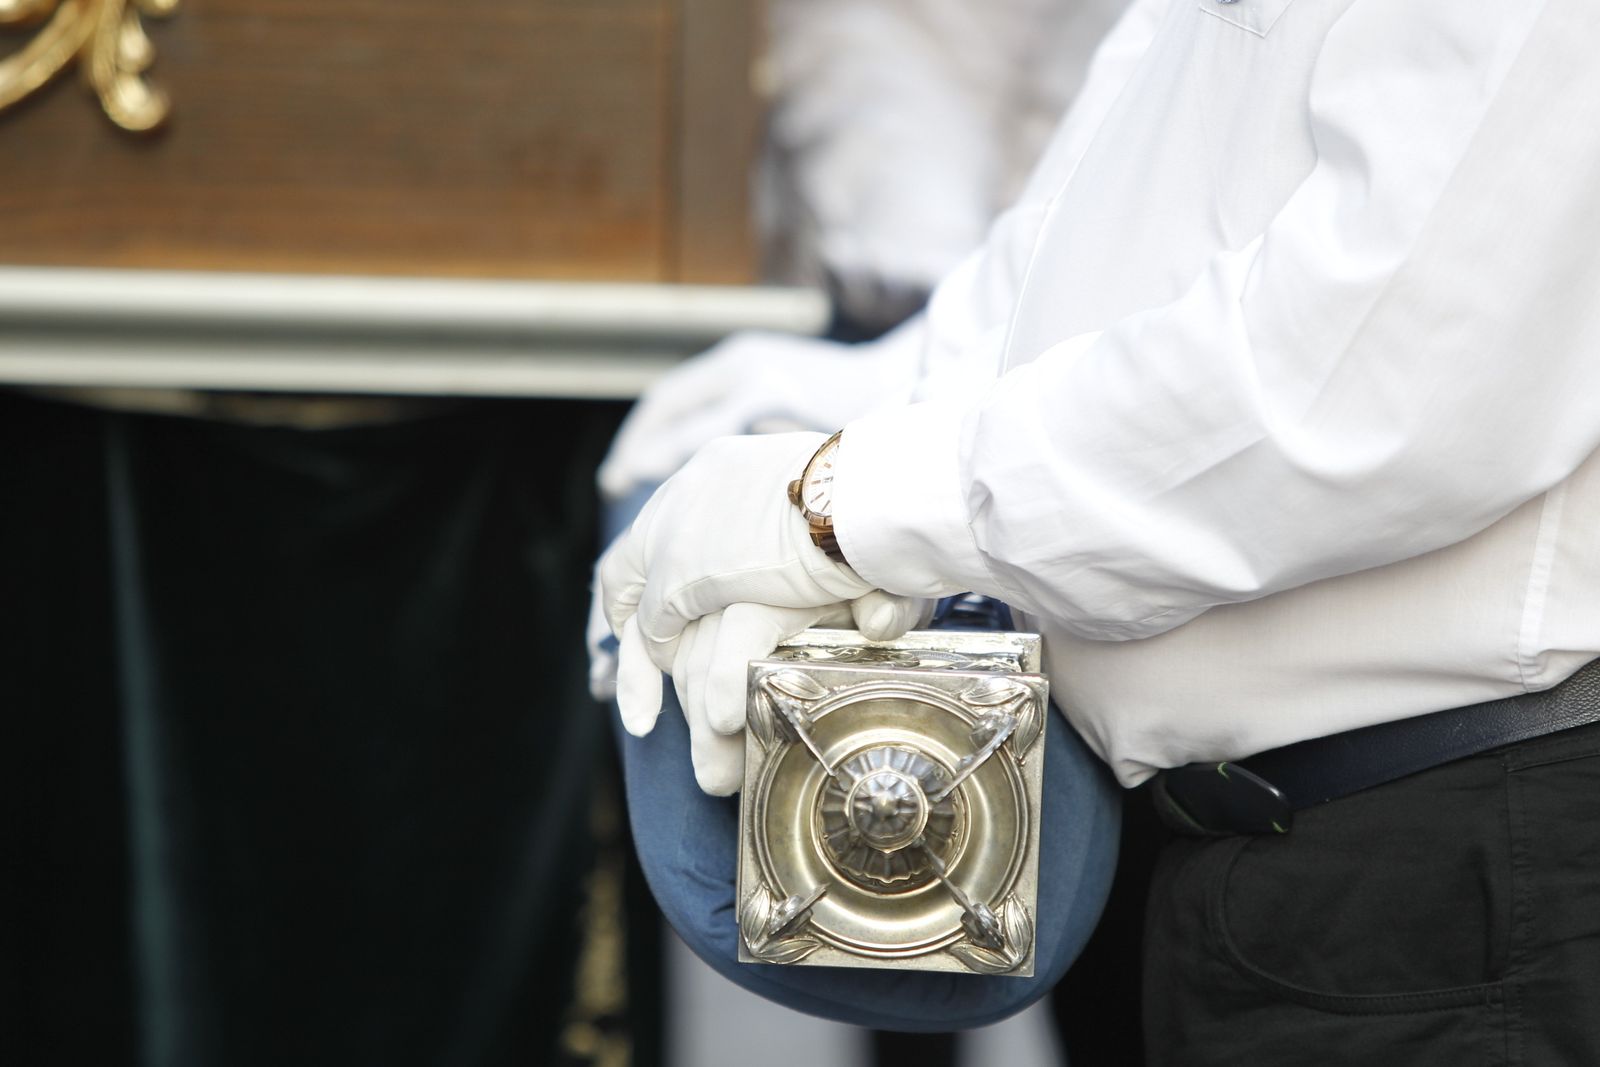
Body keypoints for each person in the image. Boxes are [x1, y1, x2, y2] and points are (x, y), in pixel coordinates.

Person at [597, 0, 1600, 1062]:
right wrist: (806, 431)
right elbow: (1093, 271)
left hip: (1464, 874)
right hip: (1277, 869)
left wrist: (848, 503)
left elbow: (1381, 379)